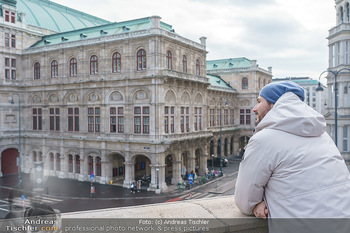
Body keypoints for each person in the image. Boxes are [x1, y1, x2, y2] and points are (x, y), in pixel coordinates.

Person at [234, 81, 350, 232]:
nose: (254, 108)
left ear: (275, 105)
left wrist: (256, 204)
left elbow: (244, 199)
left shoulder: (264, 140)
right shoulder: (322, 134)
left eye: (259, 102)